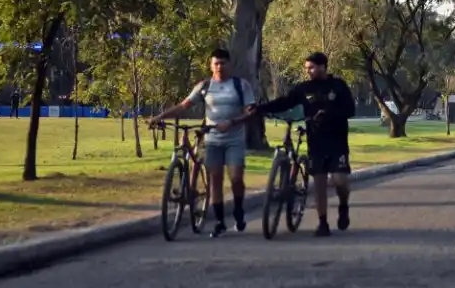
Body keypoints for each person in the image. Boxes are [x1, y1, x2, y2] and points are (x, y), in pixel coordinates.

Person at [149, 48, 256, 238]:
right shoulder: (205, 86)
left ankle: (239, 211)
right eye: (216, 63)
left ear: (229, 64)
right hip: (212, 139)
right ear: (210, 65)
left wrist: (232, 122)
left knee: (236, 178)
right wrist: (160, 116)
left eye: (223, 63)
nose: (219, 67)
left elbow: (251, 111)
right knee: (215, 179)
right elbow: (184, 106)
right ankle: (220, 222)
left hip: (234, 139)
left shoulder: (241, 85)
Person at [252, 52, 355, 237]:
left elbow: (350, 110)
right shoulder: (303, 88)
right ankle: (323, 223)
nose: (309, 71)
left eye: (312, 67)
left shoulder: (338, 86)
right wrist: (260, 108)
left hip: (337, 141)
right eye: (306, 68)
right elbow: (285, 102)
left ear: (323, 66)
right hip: (315, 141)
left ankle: (343, 206)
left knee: (340, 181)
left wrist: (329, 113)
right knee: (320, 183)